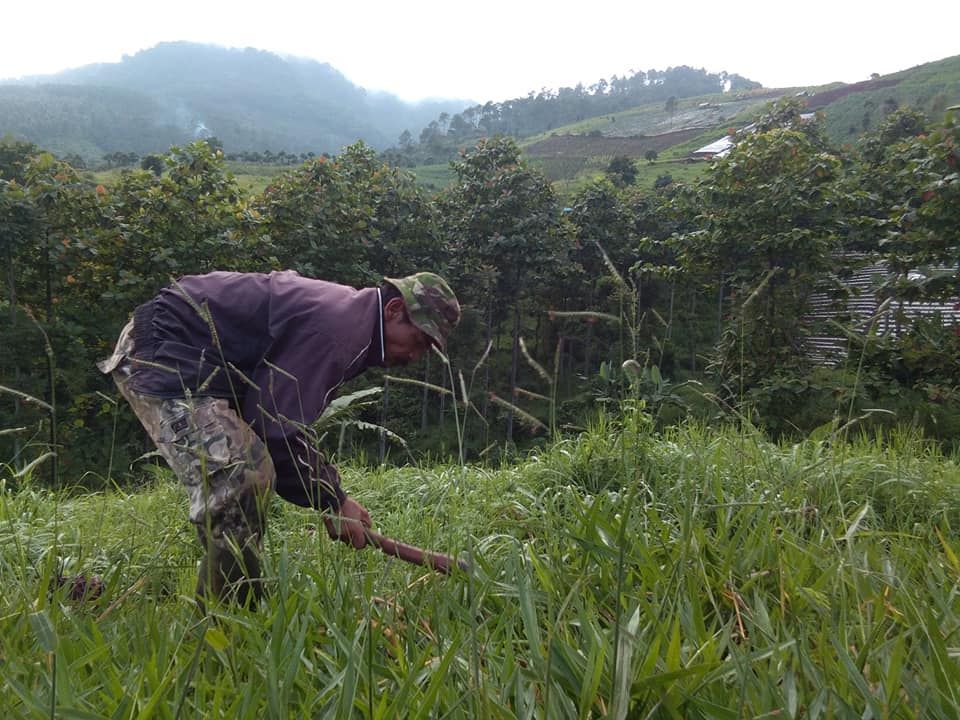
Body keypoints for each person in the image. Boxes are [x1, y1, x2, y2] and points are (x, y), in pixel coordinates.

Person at [98, 270, 460, 608]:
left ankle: (235, 610)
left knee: (251, 467)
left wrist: (334, 498)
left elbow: (278, 414)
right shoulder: (340, 331)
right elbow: (276, 424)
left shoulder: (356, 323)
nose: (415, 356)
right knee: (242, 475)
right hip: (164, 348)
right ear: (394, 310)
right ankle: (227, 621)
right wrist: (333, 500)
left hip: (205, 364)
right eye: (418, 340)